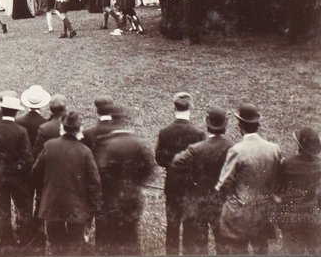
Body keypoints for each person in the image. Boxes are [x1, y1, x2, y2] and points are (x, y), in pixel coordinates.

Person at [215, 102, 282, 255]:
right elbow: (280, 178)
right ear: (258, 125)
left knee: (238, 249)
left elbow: (224, 183)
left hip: (240, 211)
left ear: (240, 126)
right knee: (261, 249)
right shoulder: (274, 148)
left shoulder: (237, 150)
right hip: (264, 211)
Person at [32, 110, 101, 255]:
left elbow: (35, 173)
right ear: (79, 130)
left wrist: (46, 189)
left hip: (52, 205)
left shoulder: (49, 146)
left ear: (62, 128)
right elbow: (94, 182)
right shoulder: (85, 151)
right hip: (77, 208)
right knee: (74, 246)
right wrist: (92, 210)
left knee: (56, 245)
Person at [171, 106, 233, 255]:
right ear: (226, 124)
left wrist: (190, 180)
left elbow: (177, 162)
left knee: (199, 243)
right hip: (222, 199)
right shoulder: (232, 148)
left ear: (207, 122)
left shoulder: (196, 148)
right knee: (223, 241)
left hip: (199, 199)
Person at [93, 106, 155, 255]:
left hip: (110, 199)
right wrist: (135, 183)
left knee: (109, 238)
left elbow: (100, 172)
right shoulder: (136, 142)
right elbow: (149, 168)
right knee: (130, 235)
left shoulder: (105, 144)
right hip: (132, 197)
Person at [155, 92, 206, 255]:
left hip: (172, 185)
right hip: (191, 186)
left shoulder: (165, 132)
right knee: (190, 226)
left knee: (172, 225)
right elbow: (200, 163)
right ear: (191, 108)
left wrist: (172, 165)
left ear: (173, 107)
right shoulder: (198, 133)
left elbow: (159, 158)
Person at [0, 91, 33, 247]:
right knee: (23, 207)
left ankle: (6, 241)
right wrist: (22, 170)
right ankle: (24, 239)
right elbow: (28, 157)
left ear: (1, 110)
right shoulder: (21, 131)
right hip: (18, 177)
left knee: (2, 210)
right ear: (16, 111)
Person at [273, 126, 321, 254]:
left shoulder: (287, 164)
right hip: (314, 217)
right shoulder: (319, 165)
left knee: (293, 252)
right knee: (315, 251)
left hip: (292, 218)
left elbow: (277, 189)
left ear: (299, 145)